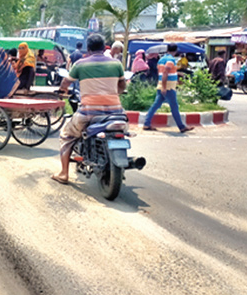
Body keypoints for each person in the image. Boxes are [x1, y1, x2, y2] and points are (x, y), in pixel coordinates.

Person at [52, 34, 126, 185]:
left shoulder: (80, 64)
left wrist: (62, 90)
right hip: (116, 112)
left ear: (89, 48)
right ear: (104, 46)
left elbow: (66, 81)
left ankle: (64, 173)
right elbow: (123, 85)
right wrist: (115, 93)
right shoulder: (116, 64)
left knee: (66, 135)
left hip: (89, 113)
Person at [143, 43, 194, 133]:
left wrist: (175, 75)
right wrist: (164, 87)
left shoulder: (161, 59)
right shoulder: (170, 59)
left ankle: (146, 124)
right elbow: (165, 73)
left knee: (156, 105)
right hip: (168, 87)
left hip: (161, 85)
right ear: (176, 51)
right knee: (174, 106)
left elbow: (164, 72)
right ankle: (181, 127)